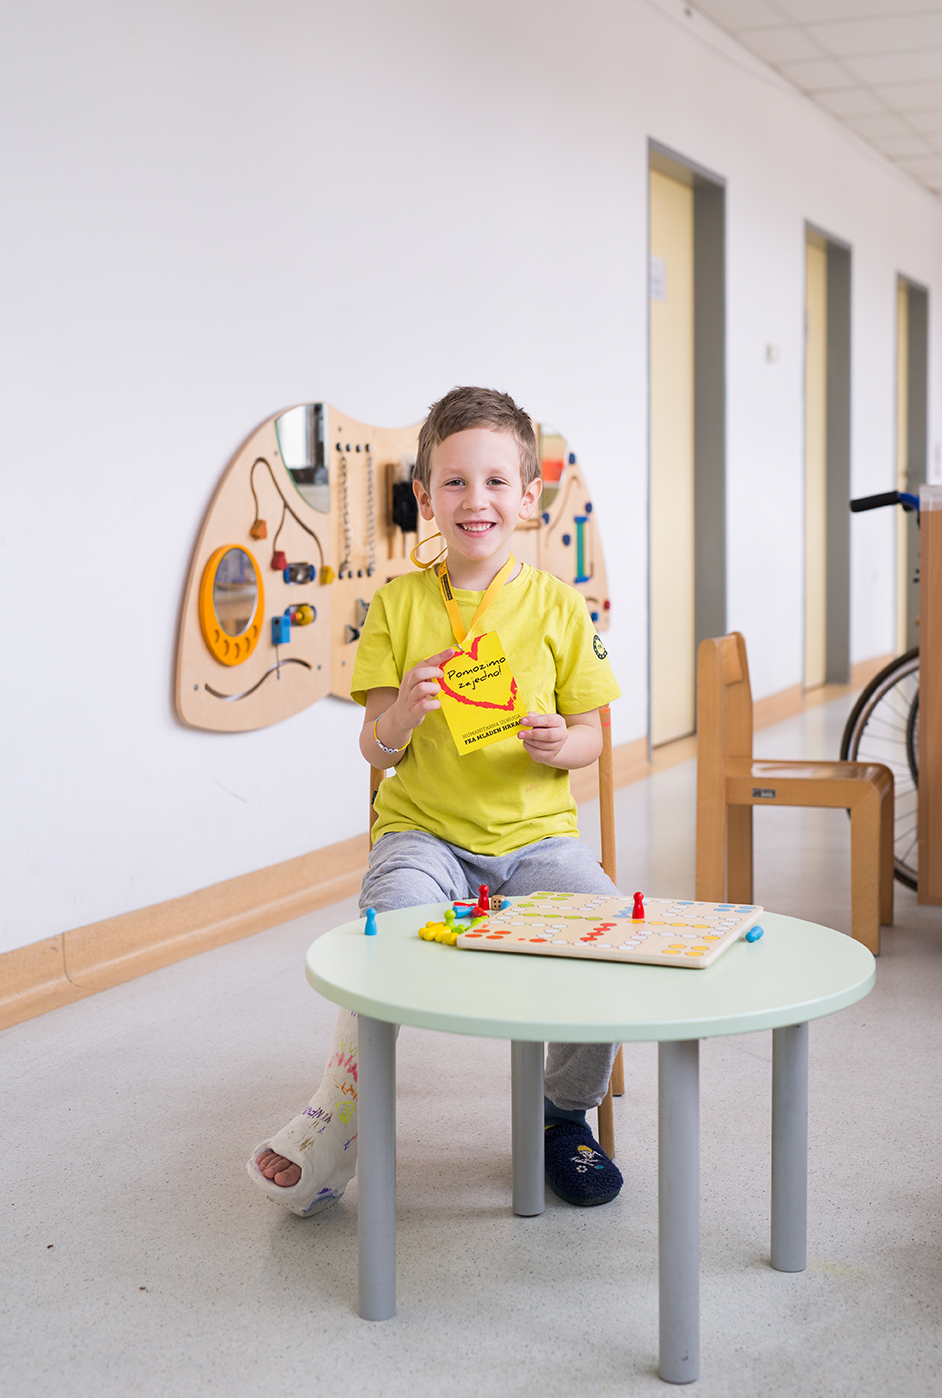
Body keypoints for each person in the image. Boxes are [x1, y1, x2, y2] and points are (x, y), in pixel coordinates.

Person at [248, 386, 623, 1216]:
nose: (475, 500)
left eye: (496, 483)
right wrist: (401, 717)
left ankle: (563, 1116)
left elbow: (597, 737)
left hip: (537, 841)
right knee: (387, 932)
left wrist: (565, 741)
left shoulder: (559, 606)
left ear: (529, 498)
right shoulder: (397, 604)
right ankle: (340, 1113)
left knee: (607, 939)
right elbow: (372, 750)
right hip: (426, 836)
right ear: (425, 498)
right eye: (453, 483)